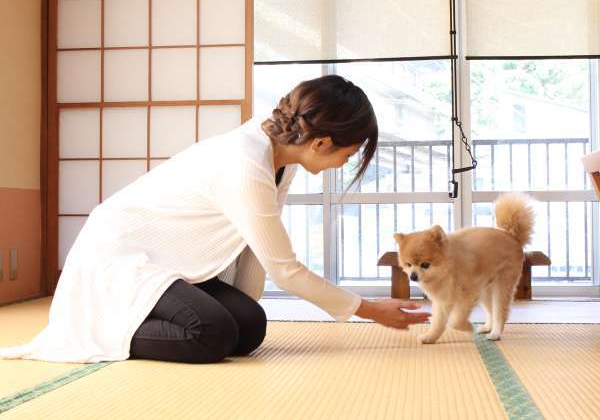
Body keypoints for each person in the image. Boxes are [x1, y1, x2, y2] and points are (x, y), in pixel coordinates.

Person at [0, 75, 430, 364]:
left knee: (249, 326)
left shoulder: (282, 160)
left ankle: (193, 319)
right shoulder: (244, 163)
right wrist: (372, 310)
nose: (345, 163)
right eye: (348, 154)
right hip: (122, 258)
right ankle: (101, 326)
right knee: (211, 335)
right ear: (320, 142)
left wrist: (238, 308)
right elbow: (285, 269)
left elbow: (255, 251)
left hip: (171, 261)